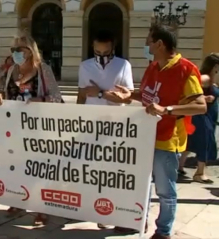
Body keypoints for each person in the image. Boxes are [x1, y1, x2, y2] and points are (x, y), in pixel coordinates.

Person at [110, 24, 207, 239]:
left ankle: (163, 232)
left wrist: (168, 110)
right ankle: (136, 221)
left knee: (165, 191)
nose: (146, 45)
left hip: (167, 139)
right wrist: (130, 95)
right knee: (139, 185)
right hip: (145, 137)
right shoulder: (153, 66)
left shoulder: (186, 69)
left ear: (160, 44)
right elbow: (147, 95)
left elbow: (200, 106)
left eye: (149, 42)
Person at [0, 30, 63, 226]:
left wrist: (40, 99)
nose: (15, 53)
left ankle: (42, 208)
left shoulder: (43, 70)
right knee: (16, 167)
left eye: (19, 49)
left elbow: (57, 98)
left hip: (39, 130)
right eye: (13, 49)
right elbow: (6, 93)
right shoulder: (10, 71)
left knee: (40, 170)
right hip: (15, 130)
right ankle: (17, 200)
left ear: (30, 51)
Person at [77, 30, 134, 230]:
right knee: (91, 169)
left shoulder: (123, 65)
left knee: (111, 171)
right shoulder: (85, 66)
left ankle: (108, 210)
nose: (101, 55)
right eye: (97, 51)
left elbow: (127, 96)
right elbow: (82, 94)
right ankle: (92, 206)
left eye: (105, 51)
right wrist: (77, 118)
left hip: (116, 125)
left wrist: (101, 93)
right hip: (91, 124)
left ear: (113, 48)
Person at [178, 53, 219, 184]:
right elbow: (189, 89)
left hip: (208, 115)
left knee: (192, 142)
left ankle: (179, 166)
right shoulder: (205, 78)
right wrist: (203, 98)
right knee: (205, 142)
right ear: (215, 66)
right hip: (202, 116)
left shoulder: (212, 78)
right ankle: (199, 173)